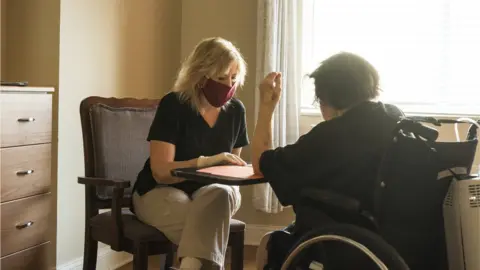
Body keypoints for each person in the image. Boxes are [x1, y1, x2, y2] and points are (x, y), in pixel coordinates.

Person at [251, 52, 403, 269]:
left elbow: (261, 163)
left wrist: (266, 107)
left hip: (346, 243)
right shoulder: (395, 117)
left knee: (270, 242)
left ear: (326, 98)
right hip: (391, 242)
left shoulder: (329, 136)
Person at [131, 37, 249, 270]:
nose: (228, 85)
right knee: (203, 220)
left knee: (220, 194)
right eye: (221, 77)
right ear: (201, 75)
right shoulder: (174, 105)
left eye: (234, 78)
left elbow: (231, 173)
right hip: (160, 191)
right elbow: (161, 172)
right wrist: (207, 162)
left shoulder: (236, 111)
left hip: (214, 194)